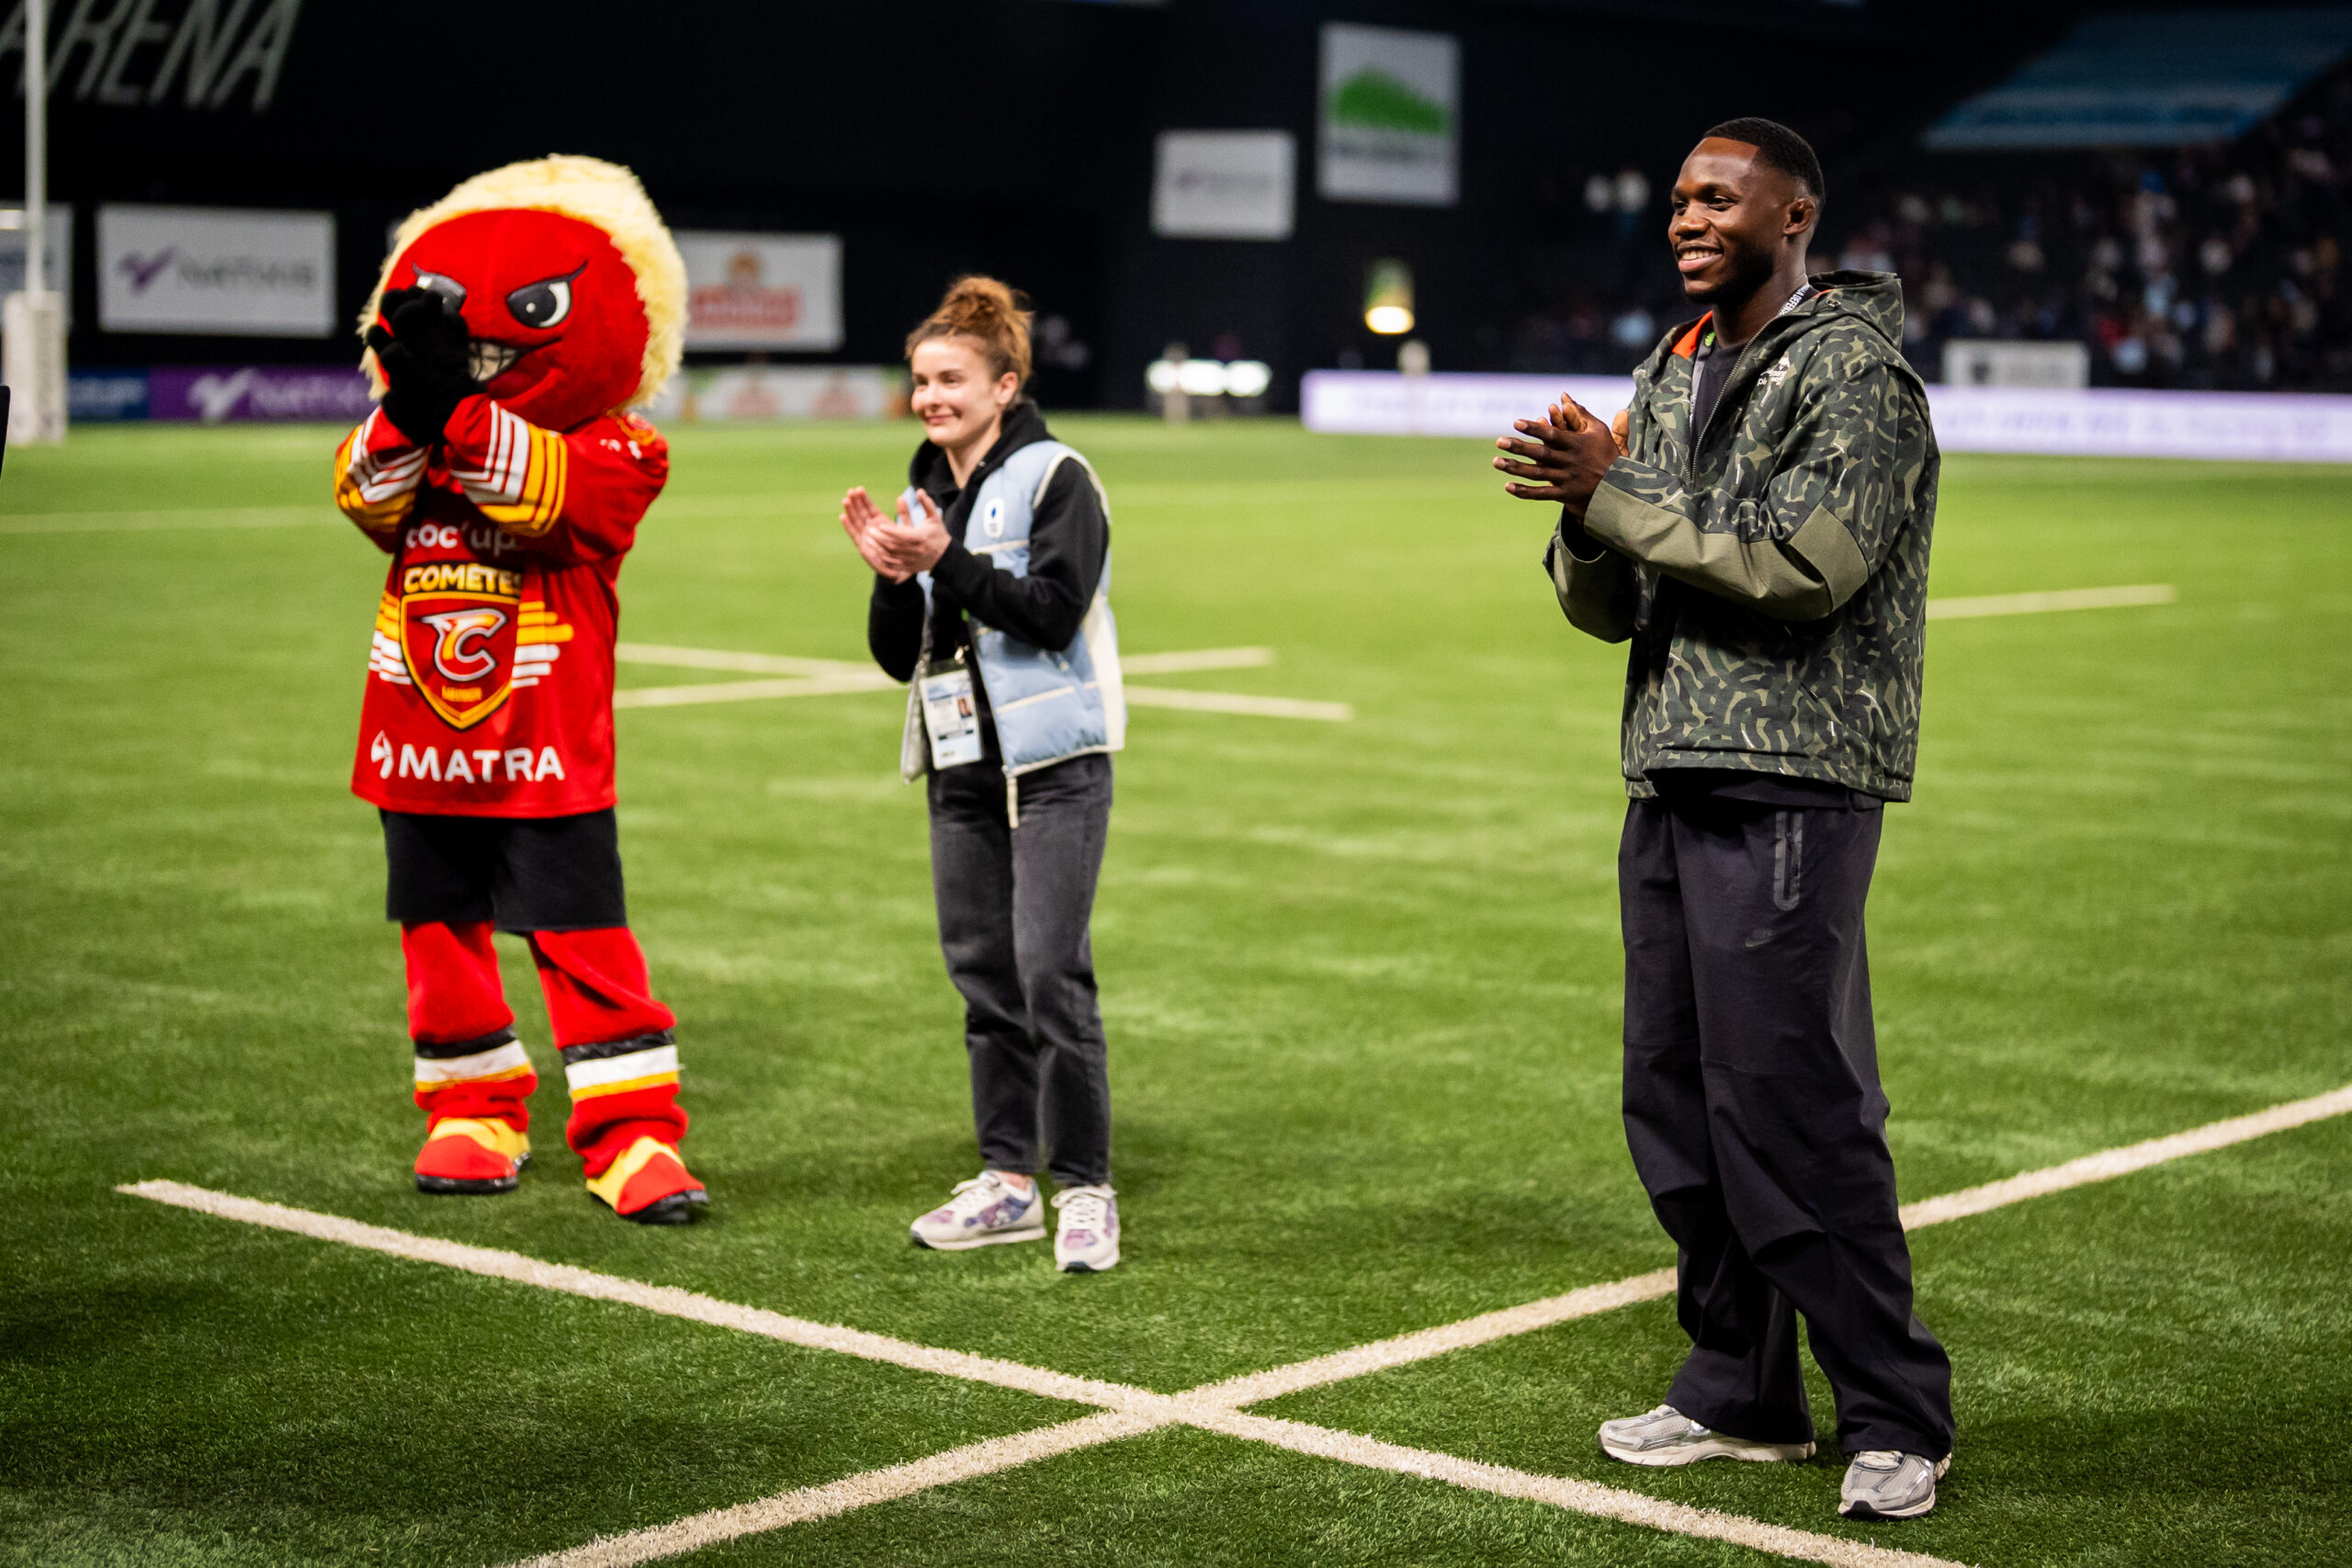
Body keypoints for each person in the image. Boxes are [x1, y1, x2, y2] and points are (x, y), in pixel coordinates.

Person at [1493, 119, 1955, 1520]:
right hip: (1672, 765)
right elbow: (1612, 605)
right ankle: (1741, 1387)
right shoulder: (1672, 367)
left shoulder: (1856, 373)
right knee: (1675, 1096)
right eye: (1680, 198)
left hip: (1794, 771)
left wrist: (1619, 494)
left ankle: (1896, 1410)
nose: (1687, 217)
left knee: (1790, 1102)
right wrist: (1585, 517)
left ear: (1794, 214)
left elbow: (1806, 568)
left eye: (1719, 197)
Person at [334, 155, 707, 1224]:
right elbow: (362, 496)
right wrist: (413, 406)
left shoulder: (622, 448)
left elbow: (541, 499)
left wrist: (451, 406)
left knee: (583, 940)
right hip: (416, 740)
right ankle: (473, 1109)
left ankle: (631, 1132)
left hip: (547, 753)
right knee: (437, 937)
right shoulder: (414, 431)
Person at [838, 277, 1125, 1273]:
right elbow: (899, 656)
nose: (930, 396)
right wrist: (893, 578)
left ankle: (1083, 1186)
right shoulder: (927, 494)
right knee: (983, 976)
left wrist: (946, 560)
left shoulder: (1058, 476)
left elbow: (1052, 611)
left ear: (1005, 386)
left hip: (1055, 765)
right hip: (959, 764)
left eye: (951, 379)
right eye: (921, 380)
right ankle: (1008, 1179)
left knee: (1050, 974)